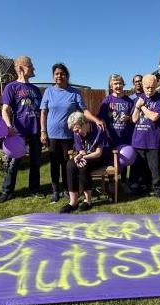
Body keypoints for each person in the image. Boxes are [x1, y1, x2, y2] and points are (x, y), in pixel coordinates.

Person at [40, 63, 104, 204]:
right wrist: (43, 131)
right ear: (53, 76)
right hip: (52, 134)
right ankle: (55, 190)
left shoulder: (75, 92)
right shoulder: (48, 92)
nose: (59, 76)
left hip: (70, 135)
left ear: (67, 76)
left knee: (67, 163)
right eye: (56, 73)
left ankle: (66, 189)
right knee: (54, 164)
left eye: (62, 73)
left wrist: (96, 120)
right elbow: (43, 112)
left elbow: (84, 111)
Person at [0, 56, 43, 204]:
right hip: (18, 132)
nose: (33, 68)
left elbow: (42, 111)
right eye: (31, 66)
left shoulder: (36, 89)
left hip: (35, 131)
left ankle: (34, 189)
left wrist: (43, 131)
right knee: (13, 163)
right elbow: (5, 110)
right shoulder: (12, 87)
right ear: (22, 68)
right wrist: (8, 127)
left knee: (36, 162)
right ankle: (7, 191)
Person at [60, 112, 110, 214]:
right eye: (74, 131)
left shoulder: (98, 129)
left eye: (77, 130)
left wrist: (83, 158)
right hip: (86, 156)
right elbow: (81, 150)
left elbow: (98, 153)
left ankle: (88, 201)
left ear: (84, 123)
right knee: (70, 165)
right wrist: (79, 156)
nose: (76, 133)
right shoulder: (76, 132)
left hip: (99, 158)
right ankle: (73, 202)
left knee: (84, 166)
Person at [130, 74, 160, 198]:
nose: (150, 90)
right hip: (138, 139)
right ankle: (136, 188)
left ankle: (157, 189)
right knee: (137, 167)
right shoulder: (137, 99)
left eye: (152, 87)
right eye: (147, 87)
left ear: (156, 85)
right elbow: (134, 119)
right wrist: (136, 107)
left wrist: (142, 107)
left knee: (154, 168)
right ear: (142, 86)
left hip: (153, 140)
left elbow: (154, 117)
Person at [98, 74, 134, 192]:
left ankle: (124, 182)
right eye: (115, 84)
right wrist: (105, 129)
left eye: (120, 83)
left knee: (125, 160)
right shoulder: (107, 100)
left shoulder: (129, 101)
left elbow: (134, 118)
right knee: (110, 161)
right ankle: (112, 183)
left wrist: (128, 118)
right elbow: (100, 118)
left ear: (123, 84)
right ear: (111, 86)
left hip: (125, 136)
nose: (118, 86)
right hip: (111, 137)